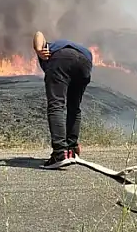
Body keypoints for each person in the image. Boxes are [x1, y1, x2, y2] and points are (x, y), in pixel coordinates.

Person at [33, 30, 93, 169]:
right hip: (85, 61)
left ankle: (60, 154)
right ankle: (71, 151)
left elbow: (38, 33)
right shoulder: (75, 47)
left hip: (61, 59)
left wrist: (38, 50)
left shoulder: (49, 48)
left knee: (56, 106)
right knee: (74, 108)